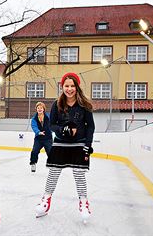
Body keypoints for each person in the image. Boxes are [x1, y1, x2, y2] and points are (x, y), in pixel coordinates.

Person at [34, 72, 95, 223]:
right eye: (66, 86)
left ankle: (83, 203)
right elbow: (51, 124)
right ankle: (46, 201)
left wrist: (88, 145)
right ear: (62, 87)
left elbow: (90, 127)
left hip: (79, 143)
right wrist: (62, 130)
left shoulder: (84, 105)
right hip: (60, 143)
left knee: (79, 174)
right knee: (53, 173)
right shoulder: (57, 104)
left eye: (72, 86)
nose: (69, 89)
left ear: (77, 87)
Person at [29, 102, 53, 172]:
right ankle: (33, 163)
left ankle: (51, 164)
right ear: (36, 109)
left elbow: (53, 123)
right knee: (34, 151)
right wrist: (38, 132)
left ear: (43, 109)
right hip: (38, 139)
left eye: (41, 108)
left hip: (48, 138)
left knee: (50, 152)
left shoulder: (48, 117)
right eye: (38, 108)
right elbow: (34, 126)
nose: (39, 109)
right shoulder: (34, 119)